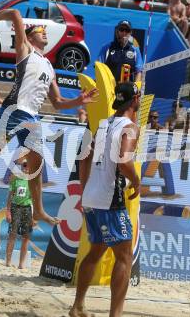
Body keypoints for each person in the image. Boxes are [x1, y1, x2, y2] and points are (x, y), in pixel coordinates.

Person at [0, 9, 98, 225]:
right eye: (40, 30)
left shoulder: (49, 66)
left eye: (45, 31)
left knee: (37, 163)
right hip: (13, 111)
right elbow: (15, 14)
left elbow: (58, 103)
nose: (44, 33)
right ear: (30, 36)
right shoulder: (24, 50)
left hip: (32, 117)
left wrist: (79, 101)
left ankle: (38, 211)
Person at [69, 82, 141, 317]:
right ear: (134, 101)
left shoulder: (103, 124)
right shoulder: (129, 126)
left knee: (96, 251)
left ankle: (78, 306)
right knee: (124, 256)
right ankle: (115, 314)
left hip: (92, 196)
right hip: (110, 198)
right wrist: (138, 182)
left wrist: (85, 188)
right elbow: (124, 161)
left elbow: (84, 158)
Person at [5, 160, 34, 269]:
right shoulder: (15, 177)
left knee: (26, 236)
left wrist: (34, 215)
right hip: (15, 207)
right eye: (24, 165)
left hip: (27, 208)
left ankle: (21, 264)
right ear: (21, 166)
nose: (26, 167)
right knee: (12, 234)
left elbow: (34, 199)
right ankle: (8, 262)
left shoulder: (33, 180)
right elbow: (10, 196)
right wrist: (8, 211)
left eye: (28, 165)